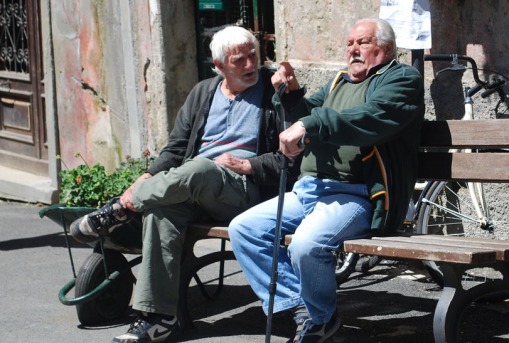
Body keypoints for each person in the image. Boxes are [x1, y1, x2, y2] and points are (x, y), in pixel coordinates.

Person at [69, 26, 299, 343]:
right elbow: (176, 148)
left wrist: (248, 163)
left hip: (244, 190)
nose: (249, 65)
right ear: (219, 66)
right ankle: (159, 318)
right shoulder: (203, 92)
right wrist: (149, 175)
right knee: (160, 213)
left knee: (199, 168)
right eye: (238, 60)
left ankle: (118, 209)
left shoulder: (273, 90)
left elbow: (292, 158)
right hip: (193, 184)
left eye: (253, 57)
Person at [228, 17, 424, 343]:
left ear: (387, 48)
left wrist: (311, 125)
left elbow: (372, 117)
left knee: (307, 245)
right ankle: (302, 309)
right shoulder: (338, 83)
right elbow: (308, 111)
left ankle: (320, 320)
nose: (353, 50)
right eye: (349, 44)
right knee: (244, 230)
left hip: (359, 195)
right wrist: (291, 95)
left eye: (362, 42)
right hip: (310, 190)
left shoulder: (401, 79)